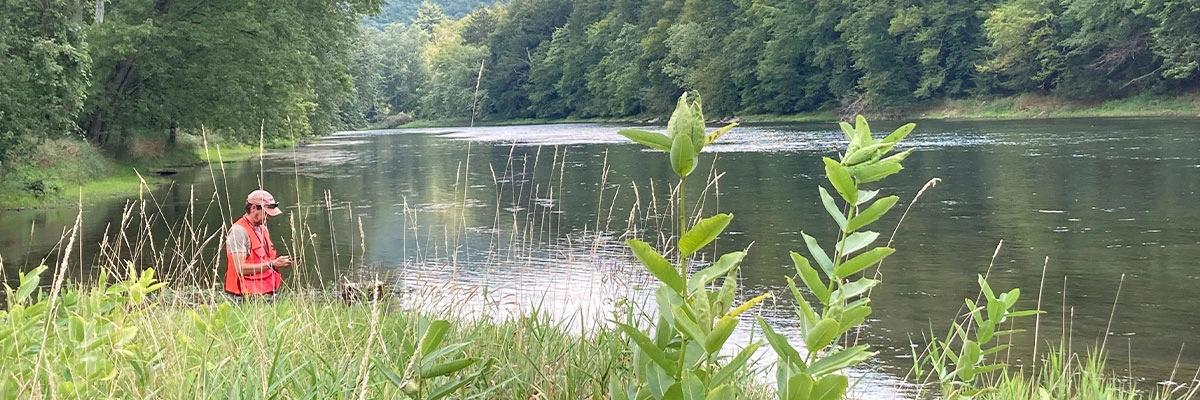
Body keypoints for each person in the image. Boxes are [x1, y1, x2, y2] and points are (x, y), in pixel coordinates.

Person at [224, 189, 292, 298]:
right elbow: (240, 269)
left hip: (265, 293)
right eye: (266, 213)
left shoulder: (263, 229)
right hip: (243, 297)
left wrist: (279, 263)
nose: (269, 217)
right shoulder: (239, 231)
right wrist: (272, 264)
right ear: (253, 208)